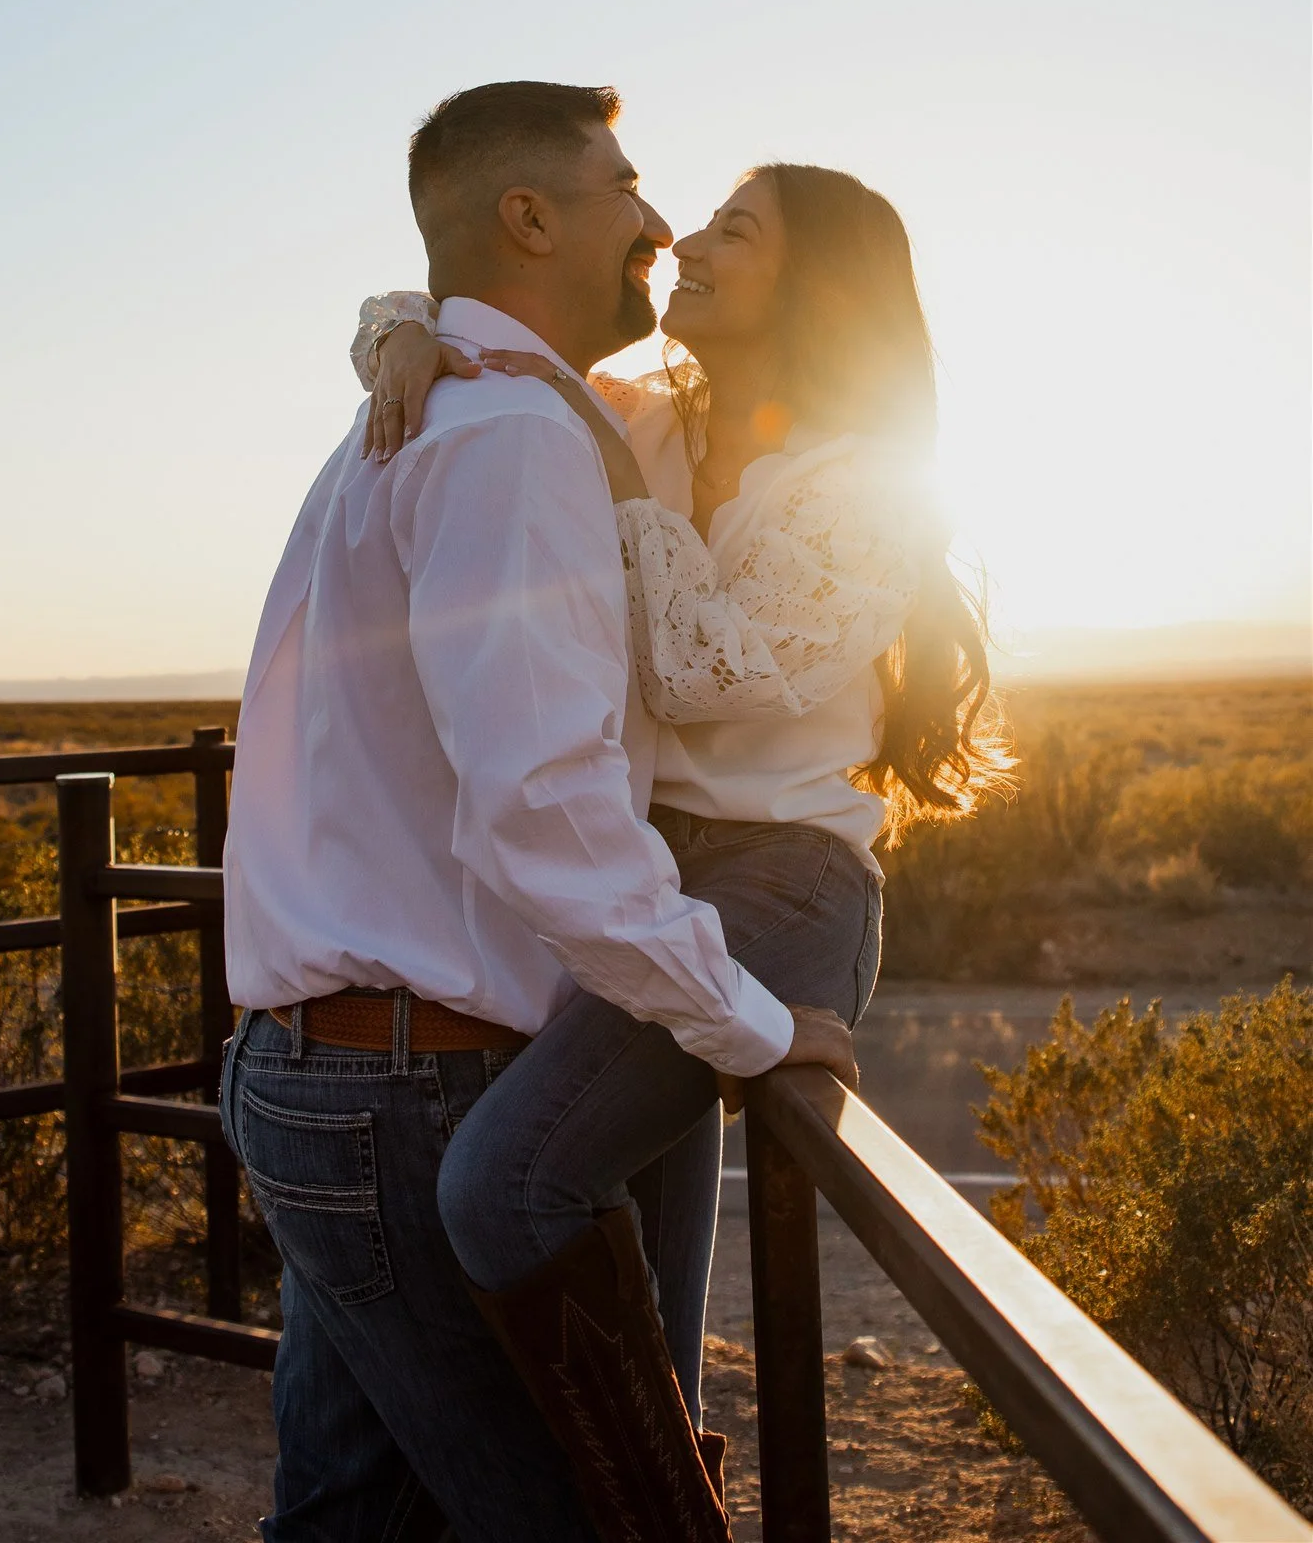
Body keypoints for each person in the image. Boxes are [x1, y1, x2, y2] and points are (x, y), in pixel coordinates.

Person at [219, 82, 858, 1543]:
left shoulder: (457, 409)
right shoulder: (506, 435)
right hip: (409, 1095)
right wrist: (752, 1023)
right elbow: (547, 809)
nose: (658, 220)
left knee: (350, 1521)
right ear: (529, 217)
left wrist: (406, 324)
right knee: (604, 1517)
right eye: (627, 184)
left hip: (325, 1074)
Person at [356, 158, 1012, 1512]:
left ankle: (657, 1522)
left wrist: (614, 478)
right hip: (642, 873)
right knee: (647, 1305)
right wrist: (403, 335)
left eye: (733, 230)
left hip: (783, 887)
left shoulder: (865, 485)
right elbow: (435, 314)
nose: (687, 245)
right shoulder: (650, 411)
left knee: (506, 1184)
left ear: (812, 285)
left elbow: (708, 670)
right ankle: (654, 1495)